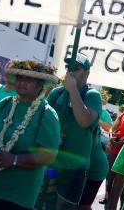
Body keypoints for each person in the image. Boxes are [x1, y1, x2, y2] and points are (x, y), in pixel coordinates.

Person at [0, 60, 60, 209]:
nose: (22, 83)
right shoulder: (5, 103)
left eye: (28, 79)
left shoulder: (47, 114)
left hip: (16, 196)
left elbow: (49, 156)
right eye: (19, 78)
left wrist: (14, 159)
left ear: (40, 85)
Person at [47, 53, 103, 209]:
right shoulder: (56, 93)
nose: (69, 71)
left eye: (76, 68)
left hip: (75, 168)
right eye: (68, 67)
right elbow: (42, 120)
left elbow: (84, 121)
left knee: (65, 206)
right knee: (44, 203)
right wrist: (53, 133)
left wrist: (72, 90)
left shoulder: (91, 95)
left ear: (86, 74)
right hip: (52, 163)